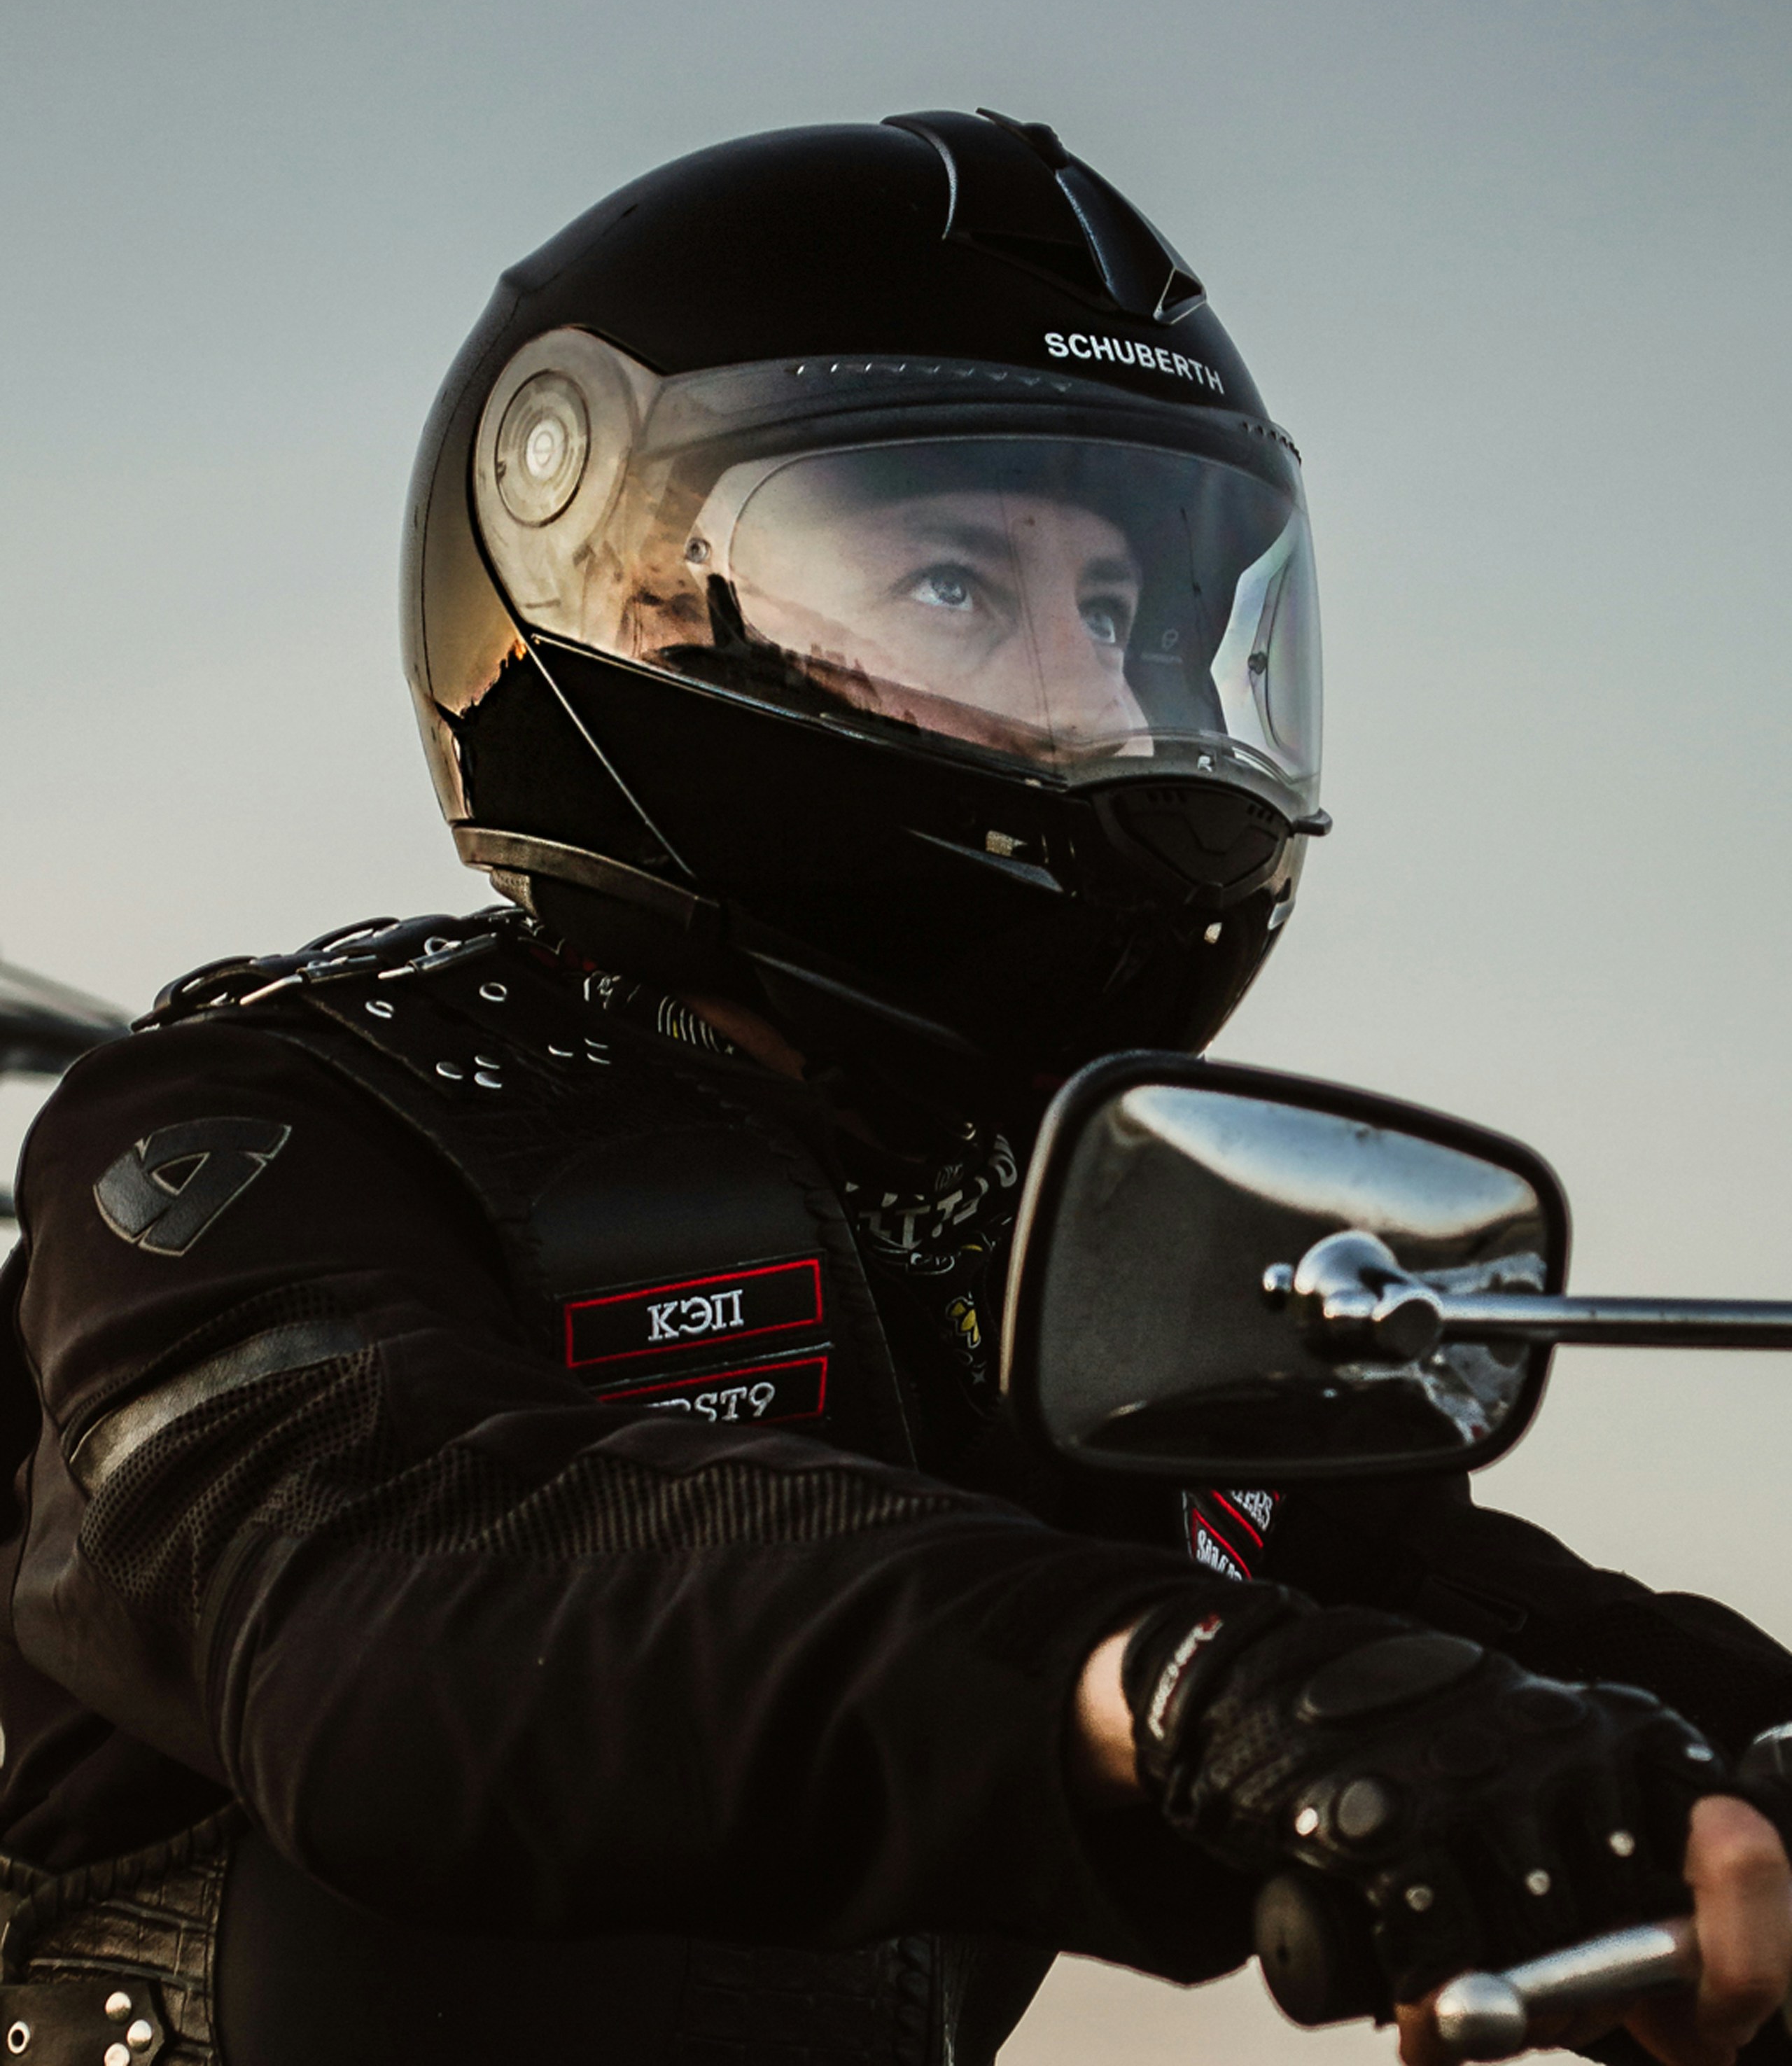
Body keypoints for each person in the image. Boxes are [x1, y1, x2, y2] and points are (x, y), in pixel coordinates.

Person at [3, 108, 1790, 2066]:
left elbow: (1474, 1623)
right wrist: (1174, 1684)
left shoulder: (1022, 1234)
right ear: (632, 592)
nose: (1098, 698)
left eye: (1121, 618)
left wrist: (1717, 1784)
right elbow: (403, 1599)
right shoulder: (258, 1136)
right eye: (956, 588)